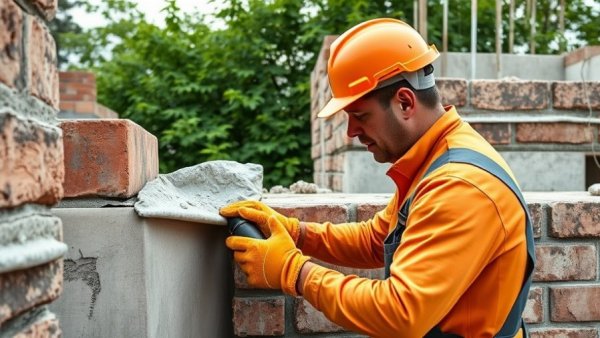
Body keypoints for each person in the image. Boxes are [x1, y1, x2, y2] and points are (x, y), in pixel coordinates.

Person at [221, 18, 534, 338]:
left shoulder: (459, 187)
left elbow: (401, 314)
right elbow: (376, 239)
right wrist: (297, 233)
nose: (352, 131)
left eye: (360, 116)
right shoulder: (434, 160)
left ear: (405, 102)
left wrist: (294, 271)